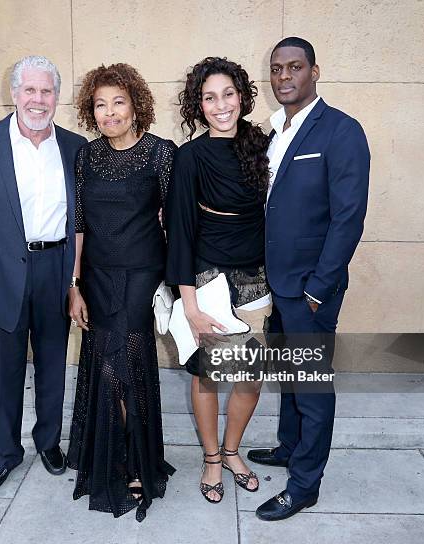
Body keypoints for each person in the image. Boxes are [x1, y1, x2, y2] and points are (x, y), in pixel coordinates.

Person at [247, 37, 370, 521]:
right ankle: (289, 447)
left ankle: (304, 486)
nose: (283, 77)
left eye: (294, 67)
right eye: (276, 69)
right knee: (289, 377)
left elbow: (348, 218)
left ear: (314, 71)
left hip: (310, 290)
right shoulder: (275, 130)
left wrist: (319, 287)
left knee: (312, 388)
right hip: (277, 286)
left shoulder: (341, 131)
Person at [0, 55, 86, 495]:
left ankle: (48, 442)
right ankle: (6, 452)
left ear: (57, 97)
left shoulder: (75, 146)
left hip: (56, 269)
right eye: (29, 90)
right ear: (13, 94)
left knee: (52, 364)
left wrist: (76, 283)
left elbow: (84, 221)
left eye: (46, 91)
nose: (38, 99)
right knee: (6, 370)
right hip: (2, 277)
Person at [66, 63, 176, 522]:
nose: (110, 112)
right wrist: (74, 285)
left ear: (136, 105)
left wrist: (180, 283)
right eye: (100, 104)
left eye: (118, 102)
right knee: (104, 361)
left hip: (141, 275)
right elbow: (79, 224)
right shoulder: (86, 157)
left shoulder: (161, 154)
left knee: (122, 363)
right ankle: (113, 457)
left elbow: (177, 223)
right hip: (96, 275)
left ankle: (133, 462)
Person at [166, 57, 272, 504]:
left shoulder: (262, 144)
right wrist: (189, 306)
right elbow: (181, 232)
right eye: (209, 97)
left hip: (256, 277)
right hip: (208, 277)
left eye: (228, 94)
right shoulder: (189, 157)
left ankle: (232, 451)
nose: (220, 105)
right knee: (208, 375)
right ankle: (211, 457)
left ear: (242, 96)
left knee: (251, 376)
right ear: (199, 104)